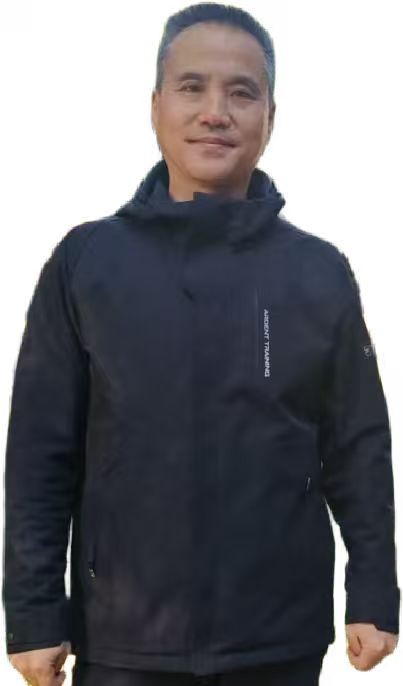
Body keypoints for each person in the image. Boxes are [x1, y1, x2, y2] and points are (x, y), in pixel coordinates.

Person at [2, 3, 400, 686]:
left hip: (278, 639)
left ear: (270, 116)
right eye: (192, 87)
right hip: (124, 641)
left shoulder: (317, 271)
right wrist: (34, 613)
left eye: (241, 92)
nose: (215, 112)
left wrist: (373, 591)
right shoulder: (86, 263)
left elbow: (357, 445)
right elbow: (41, 452)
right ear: (156, 105)